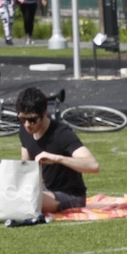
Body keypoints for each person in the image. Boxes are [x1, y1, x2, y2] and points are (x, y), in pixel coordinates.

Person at [15, 86, 100, 214]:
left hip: (70, 195)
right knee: (8, 194)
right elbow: (25, 167)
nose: (27, 124)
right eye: (22, 119)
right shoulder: (24, 131)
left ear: (44, 113)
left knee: (30, 199)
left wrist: (57, 159)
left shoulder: (61, 133)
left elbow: (93, 166)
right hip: (44, 190)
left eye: (32, 120)